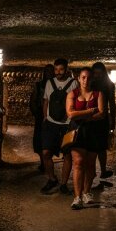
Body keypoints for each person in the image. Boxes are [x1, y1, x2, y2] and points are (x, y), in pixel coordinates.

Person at [66, 67, 105, 209]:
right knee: (78, 162)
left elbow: (101, 114)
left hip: (94, 133)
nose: (85, 80)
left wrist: (82, 116)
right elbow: (70, 114)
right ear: (78, 78)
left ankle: (86, 192)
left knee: (90, 165)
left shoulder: (98, 94)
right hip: (78, 133)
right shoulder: (72, 94)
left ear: (92, 79)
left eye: (88, 77)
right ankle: (77, 197)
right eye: (83, 77)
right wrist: (90, 111)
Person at [40, 58, 77, 193]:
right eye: (56, 69)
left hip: (67, 126)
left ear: (66, 69)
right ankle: (52, 179)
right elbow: (45, 101)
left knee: (67, 155)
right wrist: (45, 117)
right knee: (45, 153)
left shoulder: (73, 84)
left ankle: (63, 184)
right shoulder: (50, 83)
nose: (58, 72)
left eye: (61, 69)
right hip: (51, 124)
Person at [91, 62, 116, 179]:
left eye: (99, 73)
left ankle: (103, 170)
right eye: (95, 73)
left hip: (102, 119)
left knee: (101, 146)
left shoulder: (109, 85)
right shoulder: (89, 84)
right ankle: (92, 171)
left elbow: (112, 103)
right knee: (92, 146)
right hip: (90, 118)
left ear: (103, 73)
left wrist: (113, 121)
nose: (97, 76)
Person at [29, 64, 54, 172]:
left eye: (50, 71)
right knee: (39, 140)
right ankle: (43, 162)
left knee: (51, 140)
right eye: (47, 71)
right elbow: (33, 100)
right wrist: (36, 113)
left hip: (53, 116)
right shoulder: (38, 85)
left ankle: (47, 161)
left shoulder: (57, 85)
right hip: (40, 116)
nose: (48, 74)